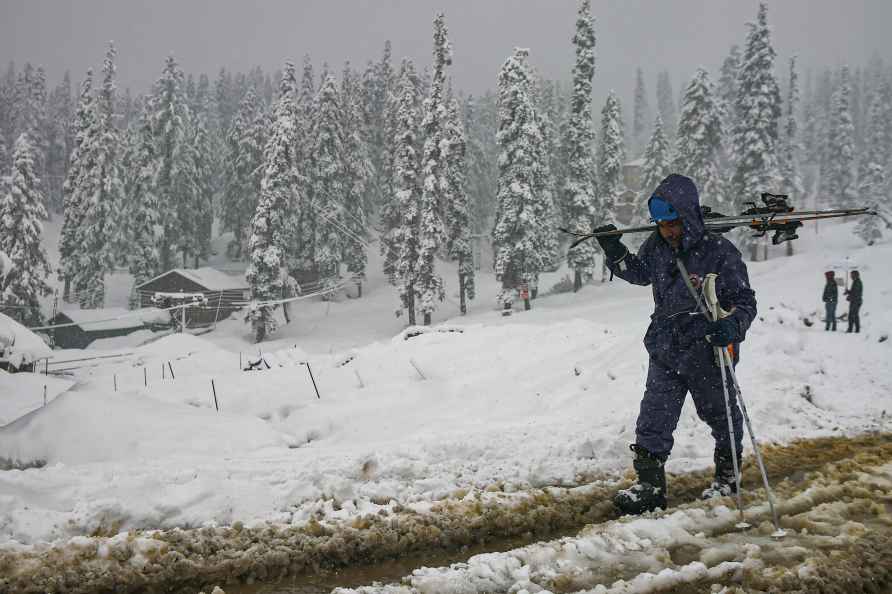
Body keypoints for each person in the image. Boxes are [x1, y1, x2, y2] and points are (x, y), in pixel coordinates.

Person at [592, 173, 757, 515]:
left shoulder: (719, 251)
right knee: (653, 417)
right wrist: (615, 250)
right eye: (661, 224)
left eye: (672, 223)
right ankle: (649, 487)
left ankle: (728, 478)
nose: (666, 231)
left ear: (687, 215)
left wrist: (732, 326)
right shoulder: (657, 246)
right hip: (666, 346)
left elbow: (745, 301)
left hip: (708, 349)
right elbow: (640, 273)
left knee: (720, 414)